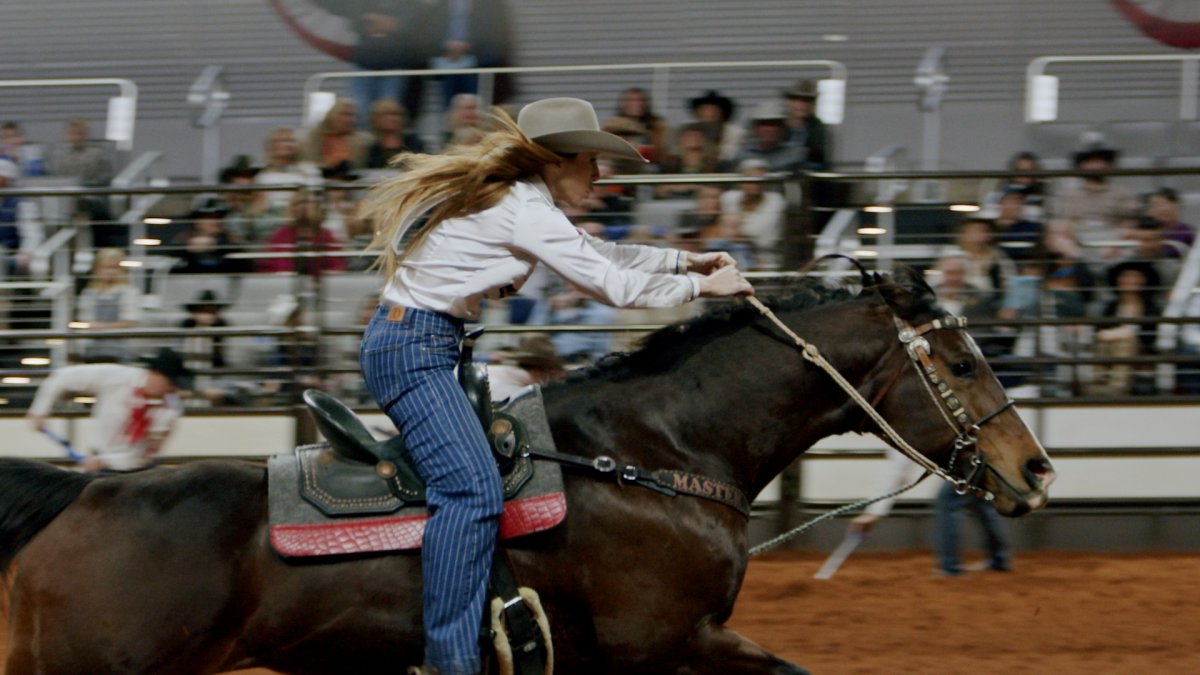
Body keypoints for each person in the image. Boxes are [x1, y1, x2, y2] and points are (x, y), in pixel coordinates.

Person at [356, 96, 753, 675]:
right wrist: (703, 291)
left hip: (417, 345)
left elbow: (595, 253)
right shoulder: (523, 209)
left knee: (476, 483)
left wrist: (682, 263)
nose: (599, 174)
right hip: (413, 351)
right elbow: (611, 286)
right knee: (471, 491)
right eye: (591, 160)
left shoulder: (520, 204)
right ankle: (448, 661)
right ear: (556, 160)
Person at [26, 347, 192, 473]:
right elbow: (62, 377)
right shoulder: (117, 377)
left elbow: (146, 454)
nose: (170, 389)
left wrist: (105, 461)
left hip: (134, 470)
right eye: (169, 382)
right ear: (155, 374)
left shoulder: (170, 410)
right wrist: (40, 410)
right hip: (101, 464)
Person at [1051, 140, 1139, 262]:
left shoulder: (1123, 192)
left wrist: (1113, 246)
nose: (1097, 165)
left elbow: (1128, 224)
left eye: (1101, 160)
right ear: (1081, 165)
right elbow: (1063, 224)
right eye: (1091, 161)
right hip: (1078, 240)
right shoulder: (1069, 194)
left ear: (1109, 164)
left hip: (1112, 238)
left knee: (1132, 239)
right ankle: (1083, 264)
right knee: (1056, 238)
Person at [301, 98, 373, 171]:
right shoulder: (312, 138)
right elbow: (307, 164)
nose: (351, 120)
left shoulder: (363, 141)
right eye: (345, 115)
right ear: (332, 115)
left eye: (353, 115)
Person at [781, 79, 831, 170]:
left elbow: (821, 159)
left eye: (807, 101)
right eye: (798, 100)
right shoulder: (778, 125)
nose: (802, 105)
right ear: (789, 101)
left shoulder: (818, 129)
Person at [365, 98, 425, 169]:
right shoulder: (372, 148)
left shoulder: (414, 142)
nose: (393, 119)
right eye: (386, 115)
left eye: (396, 115)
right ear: (376, 119)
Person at [686, 89, 743, 163]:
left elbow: (730, 156)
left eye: (714, 109)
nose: (710, 113)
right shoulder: (689, 132)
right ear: (698, 112)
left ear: (721, 112)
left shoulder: (734, 132)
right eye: (705, 109)